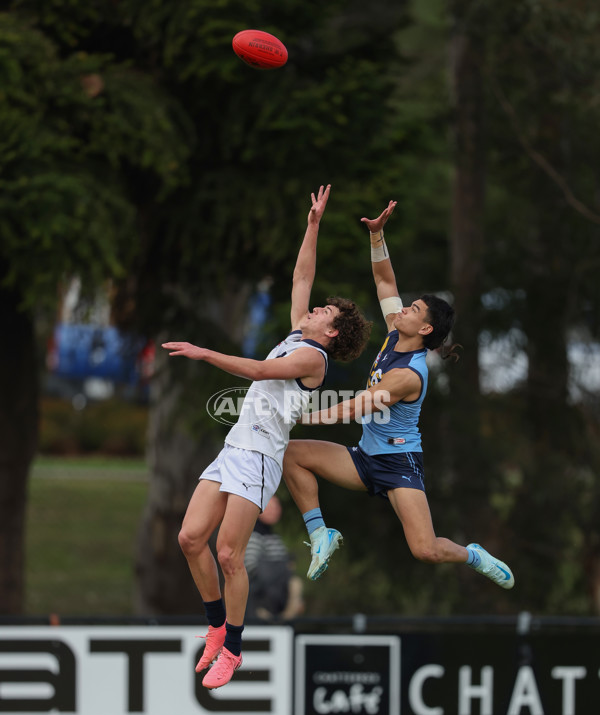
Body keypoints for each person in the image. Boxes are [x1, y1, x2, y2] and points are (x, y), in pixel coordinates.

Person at [162, 185, 371, 689]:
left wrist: (203, 353)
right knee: (191, 539)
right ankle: (216, 627)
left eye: (324, 313)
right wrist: (314, 224)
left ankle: (233, 649)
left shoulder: (313, 359)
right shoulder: (303, 333)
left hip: (259, 460)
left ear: (334, 333)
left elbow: (258, 369)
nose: (315, 308)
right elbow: (303, 273)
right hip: (234, 447)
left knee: (231, 554)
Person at [282, 199, 515, 591]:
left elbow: (358, 406)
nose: (403, 309)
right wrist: (376, 234)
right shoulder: (396, 332)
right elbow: (385, 282)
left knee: (425, 550)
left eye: (414, 310)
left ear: (424, 330)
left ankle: (474, 554)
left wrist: (300, 415)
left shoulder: (410, 375)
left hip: (397, 463)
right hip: (364, 458)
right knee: (291, 454)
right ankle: (321, 534)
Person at [245, 494, 305, 621]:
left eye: (277, 506)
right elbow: (250, 567)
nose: (275, 510)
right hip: (260, 597)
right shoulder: (254, 536)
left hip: (277, 595)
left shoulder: (274, 537)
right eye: (270, 507)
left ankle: (284, 618)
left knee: (296, 584)